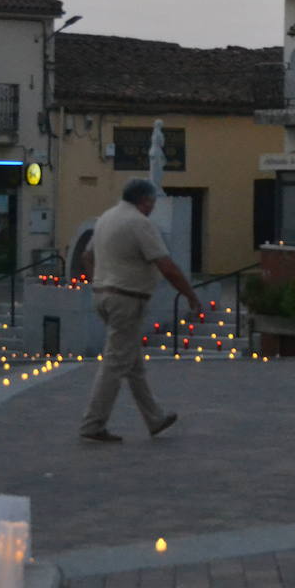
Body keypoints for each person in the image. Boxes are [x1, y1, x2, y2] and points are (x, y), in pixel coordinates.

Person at [79, 178, 202, 442]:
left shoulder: (105, 218)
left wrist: (98, 281)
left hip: (103, 296)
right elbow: (166, 266)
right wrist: (190, 294)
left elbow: (86, 256)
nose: (152, 208)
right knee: (115, 363)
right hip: (127, 299)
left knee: (133, 364)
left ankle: (154, 418)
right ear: (145, 201)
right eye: (152, 203)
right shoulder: (139, 223)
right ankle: (92, 423)